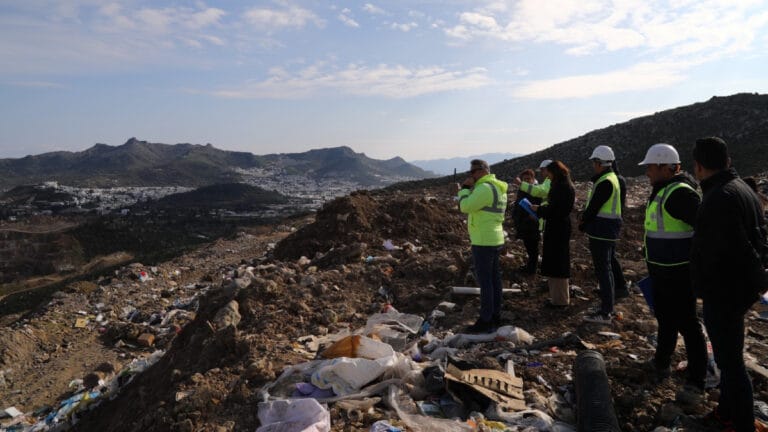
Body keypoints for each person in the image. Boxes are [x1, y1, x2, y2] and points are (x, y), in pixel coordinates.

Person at [691, 137, 766, 432]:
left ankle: (742, 424)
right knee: (727, 358)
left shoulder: (719, 197)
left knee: (731, 363)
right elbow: (758, 240)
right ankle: (726, 412)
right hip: (737, 289)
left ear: (698, 166)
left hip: (724, 291)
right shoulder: (742, 190)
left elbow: (737, 247)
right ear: (728, 161)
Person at [637, 143, 708, 404]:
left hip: (679, 273)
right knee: (666, 319)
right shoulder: (663, 190)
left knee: (688, 325)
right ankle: (661, 362)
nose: (647, 173)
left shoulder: (679, 193)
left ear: (666, 168)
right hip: (662, 271)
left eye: (650, 167)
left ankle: (696, 382)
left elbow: (705, 230)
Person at [454, 159, 509, 333]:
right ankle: (495, 316)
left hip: (483, 240)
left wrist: (463, 190)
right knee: (494, 280)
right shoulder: (498, 188)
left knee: (485, 282)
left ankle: (485, 320)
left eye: (473, 172)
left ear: (481, 171)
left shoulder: (485, 188)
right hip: (494, 237)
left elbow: (465, 206)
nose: (471, 176)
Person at [580, 145, 626, 324]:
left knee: (603, 269)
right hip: (609, 228)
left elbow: (594, 207)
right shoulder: (613, 178)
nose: (593, 165)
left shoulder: (605, 181)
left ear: (599, 163)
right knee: (607, 265)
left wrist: (583, 222)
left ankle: (606, 311)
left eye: (594, 162)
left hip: (602, 229)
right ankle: (609, 305)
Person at [530, 161, 575, 306]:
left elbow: (555, 210)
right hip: (559, 227)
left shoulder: (560, 187)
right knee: (556, 261)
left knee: (557, 262)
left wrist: (539, 210)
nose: (547, 176)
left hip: (557, 228)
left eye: (548, 173)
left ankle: (560, 300)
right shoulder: (565, 185)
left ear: (554, 172)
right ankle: (557, 298)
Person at [511, 168, 541, 274]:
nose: (527, 181)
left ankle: (531, 269)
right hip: (523, 224)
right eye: (525, 179)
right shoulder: (522, 190)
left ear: (533, 179)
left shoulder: (536, 191)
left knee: (533, 248)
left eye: (529, 179)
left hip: (532, 224)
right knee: (529, 247)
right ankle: (530, 266)